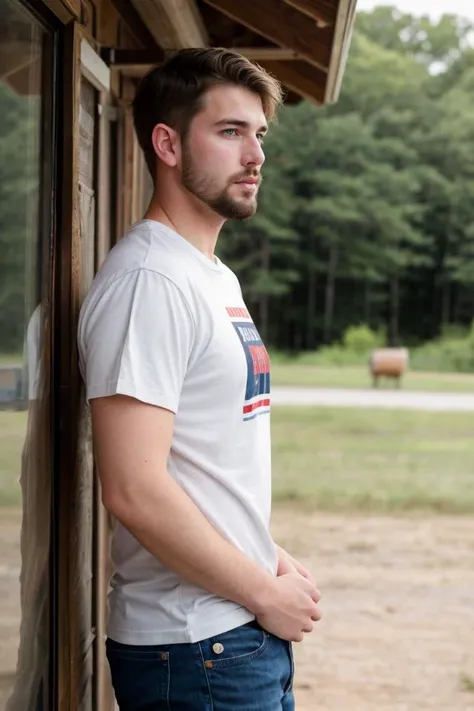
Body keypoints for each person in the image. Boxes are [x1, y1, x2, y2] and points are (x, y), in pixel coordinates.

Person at [78, 48, 321, 711]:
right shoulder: (148, 282)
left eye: (259, 134)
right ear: (168, 143)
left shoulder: (208, 273)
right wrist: (263, 590)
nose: (255, 155)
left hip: (230, 632)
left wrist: (263, 552)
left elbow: (201, 459)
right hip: (194, 648)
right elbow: (134, 487)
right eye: (229, 131)